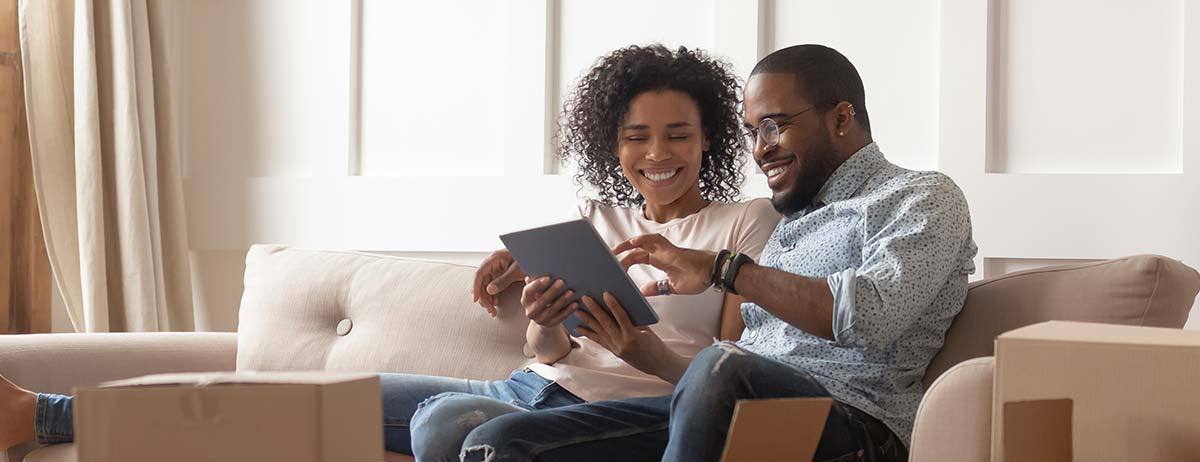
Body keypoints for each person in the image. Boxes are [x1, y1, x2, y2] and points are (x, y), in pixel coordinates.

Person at [0, 44, 782, 462]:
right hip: (532, 386)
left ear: (709, 135)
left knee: (449, 425)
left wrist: (640, 345)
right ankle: (44, 413)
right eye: (636, 136)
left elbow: (730, 378)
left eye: (678, 133)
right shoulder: (593, 215)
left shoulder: (744, 227)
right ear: (611, 144)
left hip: (615, 418)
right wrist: (544, 321)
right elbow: (546, 349)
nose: (658, 153)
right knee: (283, 398)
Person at [444, 44, 979, 462]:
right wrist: (643, 351)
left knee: (727, 363)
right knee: (499, 443)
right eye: (751, 131)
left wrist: (723, 269)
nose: (759, 148)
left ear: (841, 119)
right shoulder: (794, 222)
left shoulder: (921, 197)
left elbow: (871, 316)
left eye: (775, 124)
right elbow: (725, 381)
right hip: (741, 410)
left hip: (850, 423)